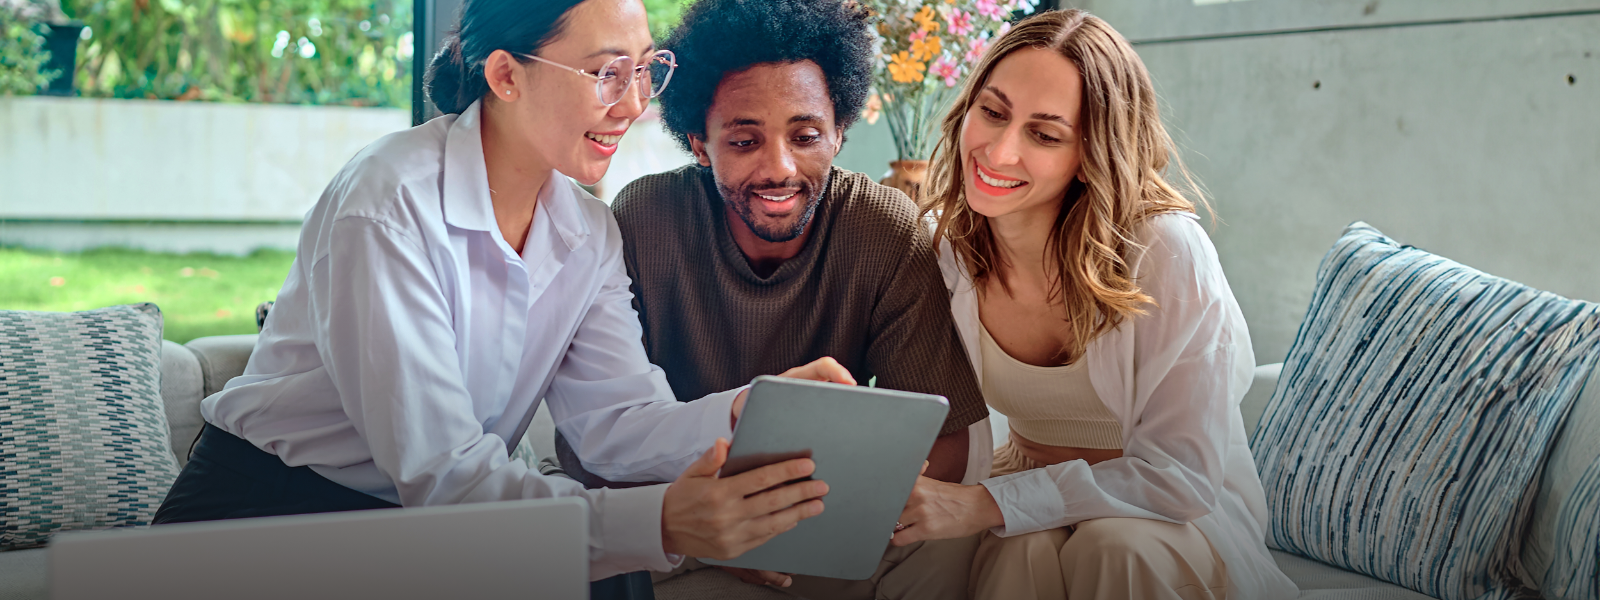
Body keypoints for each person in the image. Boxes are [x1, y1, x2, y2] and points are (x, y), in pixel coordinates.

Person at [149, 1, 851, 598]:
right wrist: (663, 524)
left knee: (611, 575)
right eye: (607, 73)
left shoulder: (587, 231)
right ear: (507, 75)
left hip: (417, 527)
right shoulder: (388, 204)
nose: (636, 105)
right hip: (269, 516)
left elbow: (617, 422)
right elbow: (444, 476)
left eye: (645, 69)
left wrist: (747, 408)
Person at [555, 0, 991, 598]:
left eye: (806, 135)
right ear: (699, 143)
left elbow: (945, 441)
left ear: (840, 131)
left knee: (952, 550)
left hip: (834, 521)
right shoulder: (647, 219)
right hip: (688, 528)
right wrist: (713, 527)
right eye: (743, 140)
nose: (779, 168)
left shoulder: (884, 227)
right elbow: (604, 443)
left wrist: (826, 522)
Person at [886, 9, 1300, 600]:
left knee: (1114, 546)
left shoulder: (1165, 251)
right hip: (1021, 493)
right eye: (994, 112)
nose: (1000, 151)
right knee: (1018, 550)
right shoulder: (950, 250)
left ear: (1091, 152)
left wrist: (986, 504)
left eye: (1045, 134)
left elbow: (1180, 479)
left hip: (1171, 515)